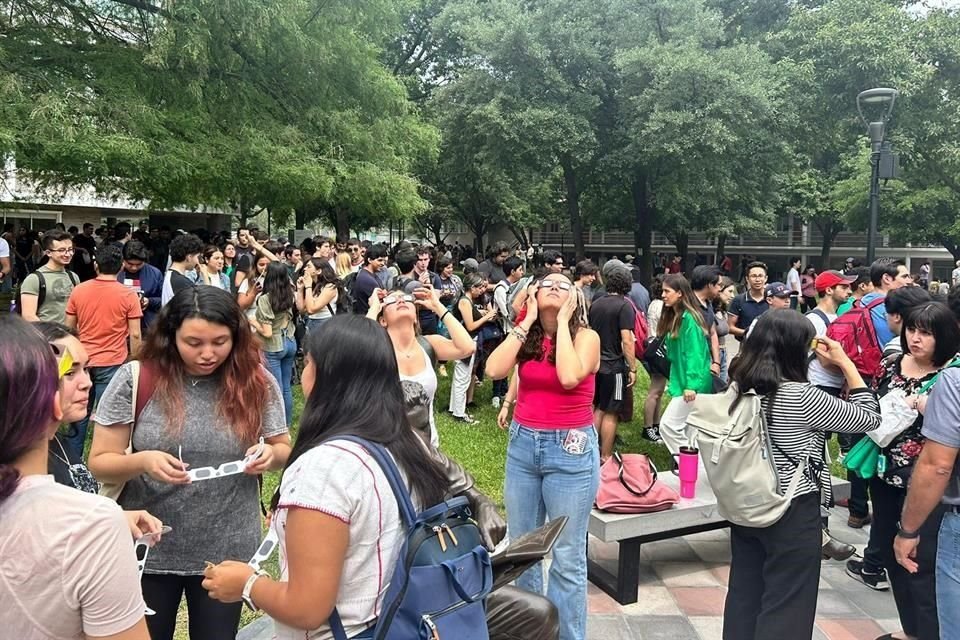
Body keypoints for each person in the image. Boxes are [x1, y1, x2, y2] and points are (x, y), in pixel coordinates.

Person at [200, 315, 472, 639]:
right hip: (398, 622)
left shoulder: (325, 468)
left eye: (308, 362)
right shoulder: (409, 444)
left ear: (323, 375)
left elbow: (307, 609)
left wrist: (247, 584)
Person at [87, 287, 291, 640]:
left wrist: (270, 455)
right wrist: (142, 461)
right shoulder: (137, 379)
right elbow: (100, 462)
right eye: (193, 342)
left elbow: (283, 448)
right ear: (171, 336)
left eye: (220, 342)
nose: (208, 354)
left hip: (227, 549)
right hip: (148, 548)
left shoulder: (256, 382)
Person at [721, 310, 880, 640]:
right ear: (796, 350)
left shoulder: (736, 389)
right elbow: (869, 419)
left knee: (744, 595)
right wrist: (847, 364)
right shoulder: (800, 395)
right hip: (791, 509)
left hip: (746, 503)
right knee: (788, 603)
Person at [0, 316, 151, 640]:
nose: (85, 382)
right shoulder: (90, 523)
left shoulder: (62, 453)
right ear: (42, 396)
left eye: (86, 369)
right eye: (67, 373)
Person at [486, 273, 600, 640]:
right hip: (523, 445)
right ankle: (532, 631)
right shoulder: (528, 336)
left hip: (570, 448)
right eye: (546, 282)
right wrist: (528, 321)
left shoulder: (587, 338)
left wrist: (563, 322)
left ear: (575, 298)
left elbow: (568, 376)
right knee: (524, 547)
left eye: (563, 284)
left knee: (566, 555)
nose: (554, 285)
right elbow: (494, 370)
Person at [856, 302, 959, 640]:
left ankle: (930, 630)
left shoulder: (951, 375)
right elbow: (871, 405)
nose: (915, 339)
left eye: (926, 333)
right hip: (886, 471)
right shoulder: (891, 363)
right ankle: (911, 627)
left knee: (923, 561)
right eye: (912, 330)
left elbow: (941, 455)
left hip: (928, 482)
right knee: (891, 550)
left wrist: (923, 406)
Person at [370, 283, 476, 447]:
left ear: (416, 317)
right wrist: (372, 309)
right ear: (382, 320)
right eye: (392, 300)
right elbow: (349, 355)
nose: (400, 301)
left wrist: (438, 306)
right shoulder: (374, 350)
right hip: (386, 450)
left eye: (406, 298)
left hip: (428, 447)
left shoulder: (429, 344)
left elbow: (467, 347)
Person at [63, 244, 144, 458]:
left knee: (77, 414)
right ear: (120, 267)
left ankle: (73, 463)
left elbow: (68, 328)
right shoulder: (128, 295)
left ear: (96, 265)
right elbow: (135, 335)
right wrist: (135, 361)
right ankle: (106, 460)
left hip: (82, 362)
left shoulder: (79, 290)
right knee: (110, 417)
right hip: (113, 361)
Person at [658, 274, 713, 454]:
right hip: (685, 381)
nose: (663, 295)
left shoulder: (689, 319)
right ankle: (693, 472)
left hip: (692, 383)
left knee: (668, 426)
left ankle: (689, 464)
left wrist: (691, 385)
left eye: (667, 291)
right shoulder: (678, 317)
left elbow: (695, 354)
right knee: (690, 430)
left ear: (680, 293)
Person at [588, 268, 636, 461]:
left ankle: (591, 451)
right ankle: (605, 455)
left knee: (598, 406)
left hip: (596, 363)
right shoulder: (624, 306)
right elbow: (627, 340)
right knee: (612, 411)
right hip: (614, 365)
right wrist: (632, 367)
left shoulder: (596, 304)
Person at [449, 273, 498, 423]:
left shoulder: (468, 300)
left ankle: (455, 408)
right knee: (462, 378)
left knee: (462, 376)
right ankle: (459, 413)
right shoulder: (465, 301)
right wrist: (487, 316)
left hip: (467, 340)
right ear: (472, 288)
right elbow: (470, 326)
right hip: (466, 341)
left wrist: (481, 313)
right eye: (479, 287)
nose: (482, 290)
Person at [256, 262, 298, 426]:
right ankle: (286, 424)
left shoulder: (265, 299)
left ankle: (278, 425)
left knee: (275, 388)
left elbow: (266, 332)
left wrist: (253, 322)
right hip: (289, 340)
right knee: (286, 387)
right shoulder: (290, 292)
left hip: (273, 345)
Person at [19, 229, 78, 323]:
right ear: (48, 253)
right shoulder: (34, 279)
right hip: (46, 335)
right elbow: (28, 316)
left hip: (70, 335)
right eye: (61, 250)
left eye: (70, 249)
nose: (68, 254)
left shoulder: (73, 277)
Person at [642, 276, 667, 442]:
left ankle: (656, 425)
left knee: (658, 392)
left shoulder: (654, 303)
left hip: (655, 348)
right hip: (657, 351)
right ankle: (648, 428)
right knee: (654, 392)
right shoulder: (660, 306)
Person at [119, 240, 163, 330]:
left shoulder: (155, 274)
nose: (134, 268)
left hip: (146, 324)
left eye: (139, 264)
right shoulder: (114, 272)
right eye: (130, 264)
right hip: (119, 323)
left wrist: (149, 301)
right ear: (123, 259)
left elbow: (164, 299)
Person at [691, 265, 723, 381]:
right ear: (709, 285)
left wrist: (716, 362)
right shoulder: (687, 305)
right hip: (691, 366)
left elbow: (713, 332)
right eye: (719, 285)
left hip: (707, 362)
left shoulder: (708, 303)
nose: (720, 289)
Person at [296, 258, 342, 333]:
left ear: (318, 271)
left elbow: (311, 309)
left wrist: (308, 286)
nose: (305, 269)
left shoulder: (330, 287)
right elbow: (301, 309)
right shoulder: (315, 286)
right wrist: (300, 289)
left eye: (309, 266)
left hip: (325, 324)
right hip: (311, 323)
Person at [727, 261, 769, 342]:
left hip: (770, 346)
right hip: (746, 345)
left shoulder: (772, 299)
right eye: (753, 276)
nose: (757, 279)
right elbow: (730, 327)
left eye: (760, 276)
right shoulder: (738, 300)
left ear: (766, 278)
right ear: (747, 279)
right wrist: (749, 333)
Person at [160, 233, 202, 306]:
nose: (198, 261)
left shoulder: (171, 276)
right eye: (197, 257)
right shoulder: (182, 283)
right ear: (189, 257)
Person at [351, 244, 388, 315]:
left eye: (384, 261)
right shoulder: (367, 280)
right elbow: (379, 304)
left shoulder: (365, 273)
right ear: (369, 260)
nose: (383, 264)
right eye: (379, 260)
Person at [714, 276, 736, 383]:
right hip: (712, 354)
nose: (732, 296)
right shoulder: (710, 312)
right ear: (719, 291)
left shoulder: (722, 312)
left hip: (723, 352)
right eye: (730, 291)